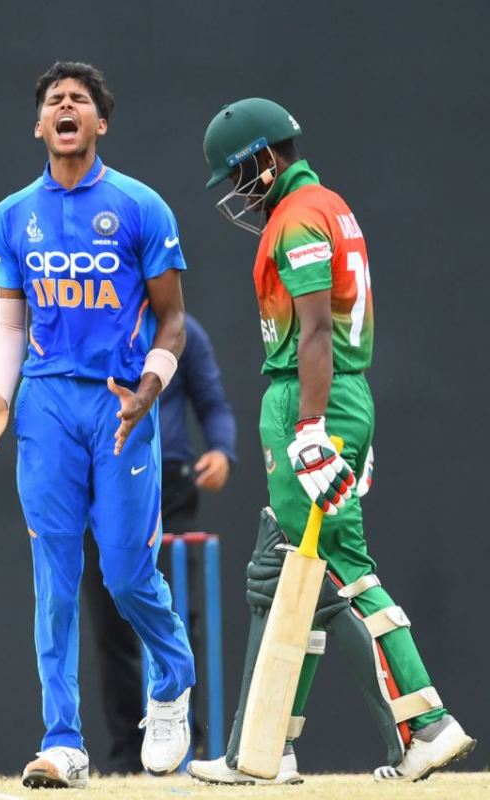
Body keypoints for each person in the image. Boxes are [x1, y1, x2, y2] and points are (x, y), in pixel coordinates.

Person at [187, 98, 475, 784]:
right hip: (336, 392)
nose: (236, 193)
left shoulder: (296, 219)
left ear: (262, 158)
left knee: (338, 565)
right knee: (290, 565)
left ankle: (425, 725)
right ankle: (264, 748)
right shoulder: (328, 204)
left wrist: (314, 428)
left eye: (237, 175)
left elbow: (315, 331)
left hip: (312, 396)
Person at [0, 61, 196, 789]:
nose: (66, 107)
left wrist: (151, 385)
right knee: (56, 581)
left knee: (126, 576)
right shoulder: (12, 215)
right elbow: (10, 321)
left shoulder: (138, 205)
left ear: (100, 124)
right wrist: (3, 396)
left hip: (120, 403)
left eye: (80, 101)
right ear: (40, 126)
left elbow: (173, 320)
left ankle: (172, 680)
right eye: (54, 101)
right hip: (45, 406)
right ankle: (62, 741)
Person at [82, 313, 236, 773]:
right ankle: (128, 755)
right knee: (112, 626)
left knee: (175, 621)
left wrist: (221, 451)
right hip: (103, 481)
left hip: (169, 485)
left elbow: (213, 404)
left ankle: (195, 749)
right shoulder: (94, 323)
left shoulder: (185, 330)